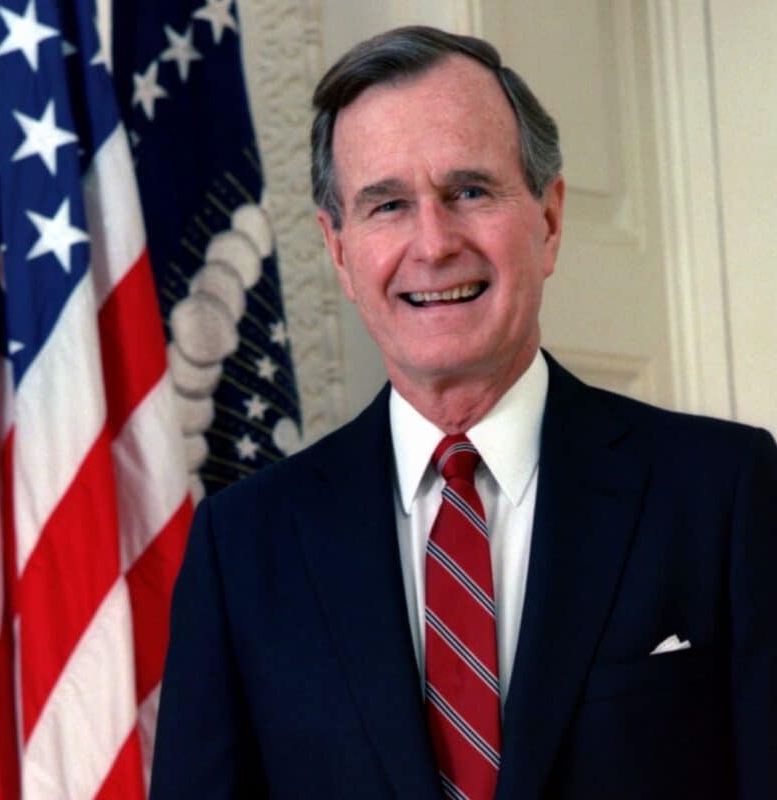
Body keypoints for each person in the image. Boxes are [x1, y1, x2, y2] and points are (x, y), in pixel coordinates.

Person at [149, 26, 777, 799]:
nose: (434, 243)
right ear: (340, 250)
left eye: (469, 191)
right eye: (387, 204)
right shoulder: (242, 547)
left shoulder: (726, 492)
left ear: (548, 219)